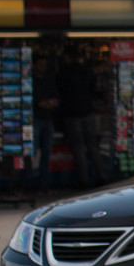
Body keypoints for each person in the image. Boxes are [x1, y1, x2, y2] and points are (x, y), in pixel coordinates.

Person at [57, 49, 109, 187]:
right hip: (87, 111)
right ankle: (102, 176)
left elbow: (61, 92)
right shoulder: (86, 71)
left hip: (73, 114)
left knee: (79, 148)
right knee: (92, 146)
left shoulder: (64, 72)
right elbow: (94, 90)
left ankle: (84, 180)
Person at [30, 55, 59, 193]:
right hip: (36, 119)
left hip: (47, 119)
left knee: (46, 153)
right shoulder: (30, 81)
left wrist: (47, 103)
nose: (43, 67)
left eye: (44, 64)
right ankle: (26, 182)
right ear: (34, 65)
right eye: (40, 64)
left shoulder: (48, 81)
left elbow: (56, 99)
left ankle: (43, 183)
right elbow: (37, 102)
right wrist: (45, 103)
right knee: (32, 152)